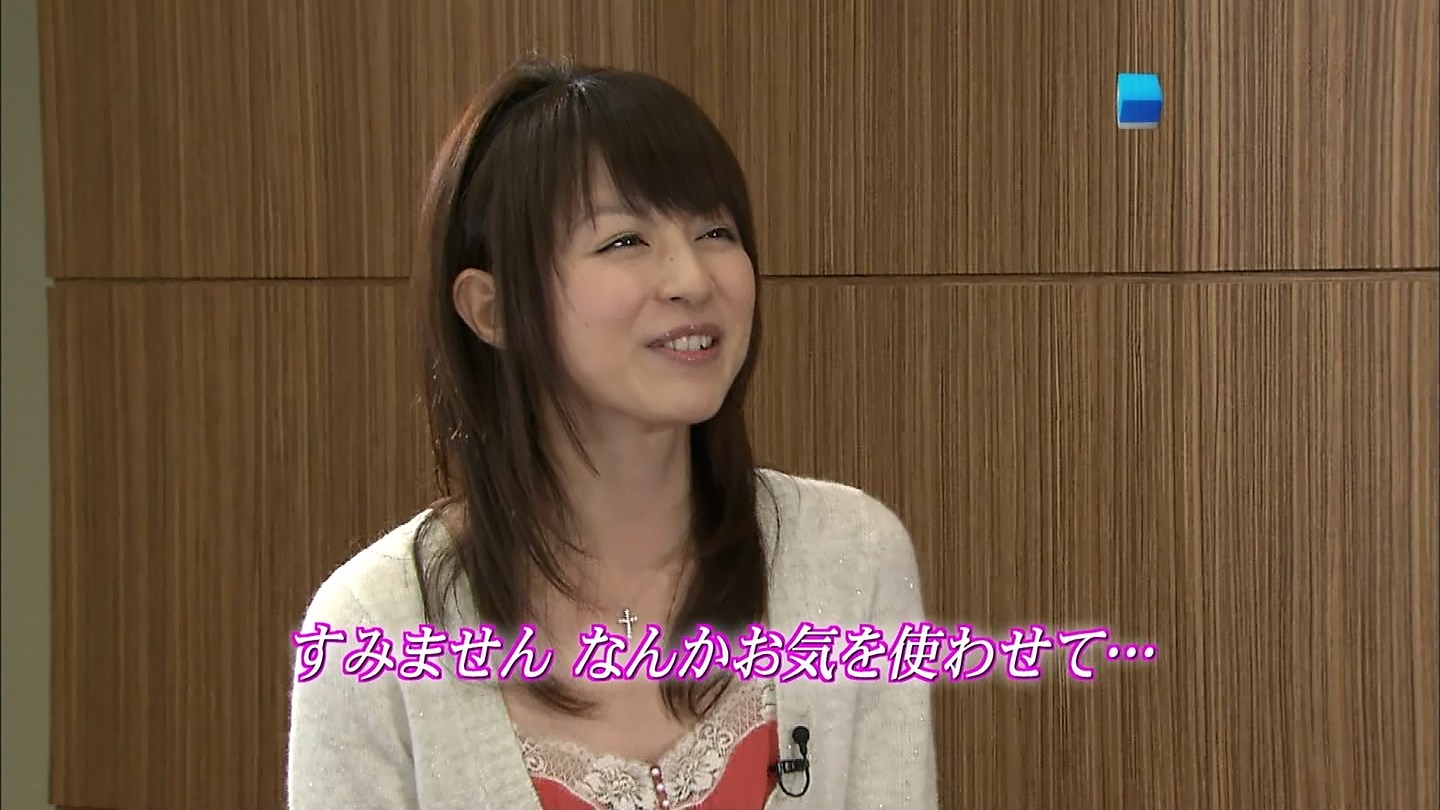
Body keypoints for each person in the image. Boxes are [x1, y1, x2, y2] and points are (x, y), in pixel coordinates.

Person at [286, 56, 938, 810]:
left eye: (715, 230)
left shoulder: (850, 559)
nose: (692, 279)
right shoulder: (372, 628)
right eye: (624, 240)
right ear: (493, 311)